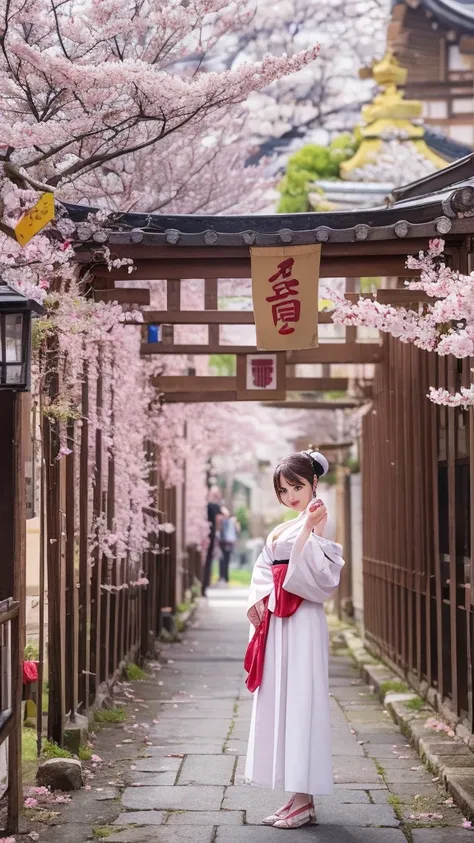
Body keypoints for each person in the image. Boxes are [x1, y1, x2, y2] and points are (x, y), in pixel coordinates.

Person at [244, 450, 344, 829]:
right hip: (277, 622)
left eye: (296, 486)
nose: (290, 496)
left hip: (303, 619)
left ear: (313, 482)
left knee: (301, 700)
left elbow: (320, 579)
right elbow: (263, 569)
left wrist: (309, 530)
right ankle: (297, 797)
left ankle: (304, 799)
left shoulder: (320, 520)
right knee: (282, 701)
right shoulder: (286, 526)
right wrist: (258, 602)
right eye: (283, 490)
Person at [202, 486, 224, 597]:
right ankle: (204, 586)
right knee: (207, 562)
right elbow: (225, 513)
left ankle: (204, 586)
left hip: (205, 535)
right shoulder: (214, 506)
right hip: (209, 536)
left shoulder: (206, 505)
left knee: (206, 562)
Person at [218, 510, 240, 586]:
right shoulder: (222, 521)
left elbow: (237, 530)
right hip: (223, 542)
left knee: (226, 560)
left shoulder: (231, 521)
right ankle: (222, 577)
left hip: (229, 542)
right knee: (222, 560)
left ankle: (225, 577)